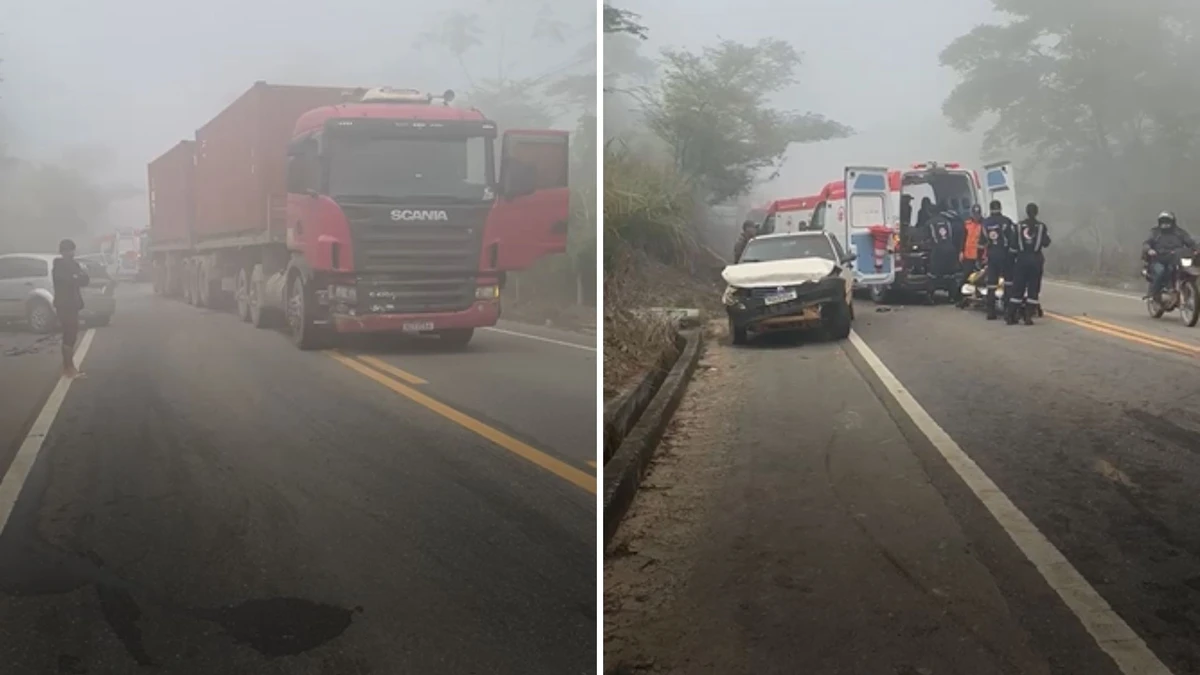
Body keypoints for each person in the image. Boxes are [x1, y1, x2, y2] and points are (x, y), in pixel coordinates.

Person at [1007, 202, 1051, 325]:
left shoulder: (1018, 226)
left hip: (1022, 260)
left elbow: (1013, 246)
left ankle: (1011, 316)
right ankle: (1028, 317)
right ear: (1036, 212)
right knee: (1033, 289)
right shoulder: (1041, 227)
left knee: (1017, 289)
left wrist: (1011, 262)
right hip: (1036, 260)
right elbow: (1046, 243)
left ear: (1026, 212)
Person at [52, 238, 90, 378]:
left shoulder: (74, 265)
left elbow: (85, 280)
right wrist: (75, 277)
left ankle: (68, 367)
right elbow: (66, 281)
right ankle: (68, 367)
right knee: (69, 334)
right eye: (67, 250)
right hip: (64, 305)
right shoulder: (58, 266)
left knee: (72, 335)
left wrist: (76, 277)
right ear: (62, 252)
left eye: (72, 250)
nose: (71, 253)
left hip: (73, 304)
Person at [1143, 211, 1196, 300]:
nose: (1165, 224)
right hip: (1158, 259)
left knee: (1185, 270)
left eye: (1167, 221)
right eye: (1163, 221)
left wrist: (1196, 249)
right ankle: (1153, 293)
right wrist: (1149, 250)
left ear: (1172, 222)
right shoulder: (1155, 232)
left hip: (1176, 258)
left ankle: (1183, 290)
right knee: (1160, 271)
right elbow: (1147, 243)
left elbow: (1190, 242)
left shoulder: (1180, 232)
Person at [980, 200, 1016, 320]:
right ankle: (1007, 309)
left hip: (992, 256)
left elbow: (981, 243)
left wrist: (982, 256)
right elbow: (1013, 239)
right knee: (1008, 283)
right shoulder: (1006, 221)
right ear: (1000, 208)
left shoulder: (985, 223)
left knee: (991, 284)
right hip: (1005, 256)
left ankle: (991, 311)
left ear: (990, 209)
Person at [927, 206, 961, 300]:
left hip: (938, 250)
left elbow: (925, 236)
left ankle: (930, 297)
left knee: (933, 274)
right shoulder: (947, 221)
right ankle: (952, 297)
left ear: (930, 212)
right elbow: (953, 235)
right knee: (950, 274)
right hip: (950, 249)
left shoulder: (929, 222)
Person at [960, 204, 985, 281]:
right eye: (975, 214)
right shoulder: (967, 224)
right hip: (968, 255)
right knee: (966, 277)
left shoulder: (985, 224)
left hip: (981, 255)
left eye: (978, 214)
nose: (976, 216)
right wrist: (961, 251)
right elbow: (963, 238)